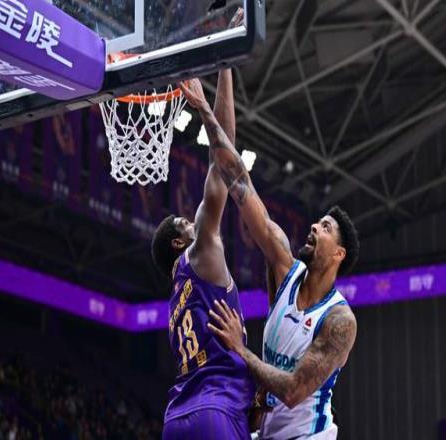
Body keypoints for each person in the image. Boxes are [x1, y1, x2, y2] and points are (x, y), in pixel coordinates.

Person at [180, 78, 359, 440]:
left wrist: (240, 350)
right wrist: (205, 109)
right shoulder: (283, 266)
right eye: (318, 221)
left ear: (339, 253)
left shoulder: (340, 320)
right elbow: (238, 180)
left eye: (325, 227)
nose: (314, 226)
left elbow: (293, 391)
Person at [151, 11, 254, 439]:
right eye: (184, 222)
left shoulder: (175, 302)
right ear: (180, 241)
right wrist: (225, 62)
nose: (192, 220)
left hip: (176, 417)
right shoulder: (201, 251)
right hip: (217, 408)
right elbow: (223, 162)